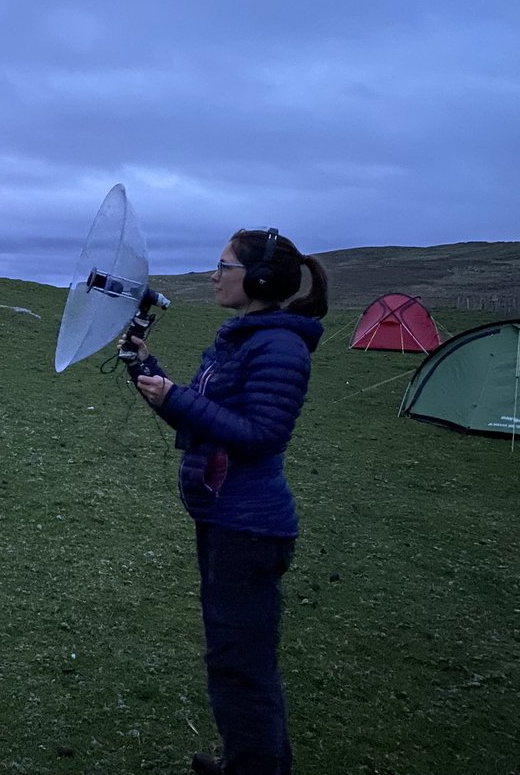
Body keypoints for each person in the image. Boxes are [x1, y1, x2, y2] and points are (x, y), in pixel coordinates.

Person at [126, 228, 328, 775]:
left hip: (251, 527)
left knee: (242, 664)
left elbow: (260, 435)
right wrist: (148, 372)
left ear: (257, 278)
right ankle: (247, 763)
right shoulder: (239, 338)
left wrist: (177, 396)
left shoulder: (279, 346)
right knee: (231, 655)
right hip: (223, 516)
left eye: (224, 266)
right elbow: (201, 417)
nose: (214, 276)